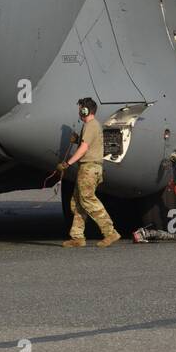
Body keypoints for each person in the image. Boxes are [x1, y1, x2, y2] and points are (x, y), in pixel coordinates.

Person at [59, 96, 121, 247]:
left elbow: (84, 149)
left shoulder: (91, 126)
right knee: (79, 202)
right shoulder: (91, 126)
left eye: (80, 108)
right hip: (89, 168)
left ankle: (110, 232)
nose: (79, 111)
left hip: (89, 168)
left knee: (88, 199)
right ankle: (77, 237)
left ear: (85, 110)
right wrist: (78, 139)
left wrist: (68, 163)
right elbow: (86, 144)